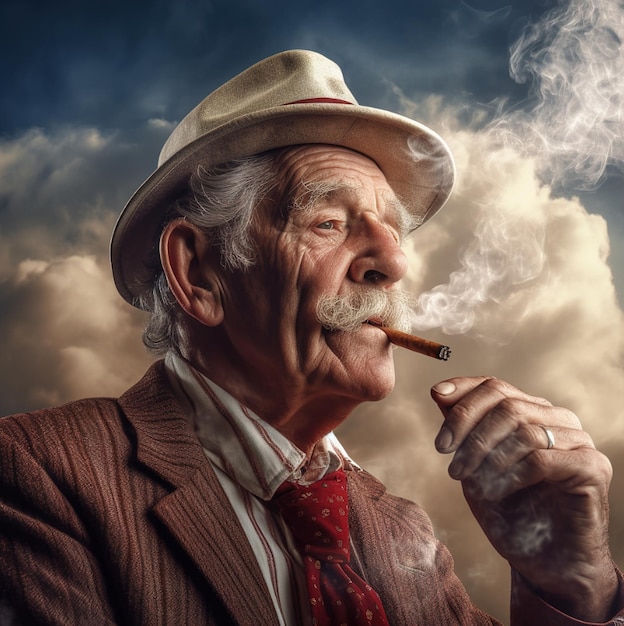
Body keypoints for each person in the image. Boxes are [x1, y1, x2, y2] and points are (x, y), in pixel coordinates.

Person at [0, 49, 622, 626]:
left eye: (393, 232)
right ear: (198, 273)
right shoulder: (40, 475)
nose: (393, 264)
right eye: (329, 222)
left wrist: (571, 578)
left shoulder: (401, 531)